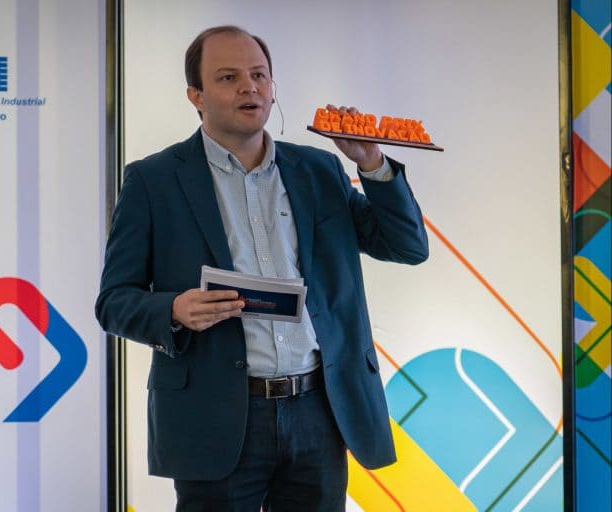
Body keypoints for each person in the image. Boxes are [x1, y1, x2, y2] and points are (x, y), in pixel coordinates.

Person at [96, 25, 429, 512]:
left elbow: (407, 246)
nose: (249, 87)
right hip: (216, 415)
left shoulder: (319, 170)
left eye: (259, 75)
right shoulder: (154, 180)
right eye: (228, 77)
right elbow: (113, 302)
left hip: (318, 409)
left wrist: (373, 163)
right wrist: (174, 310)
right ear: (196, 96)